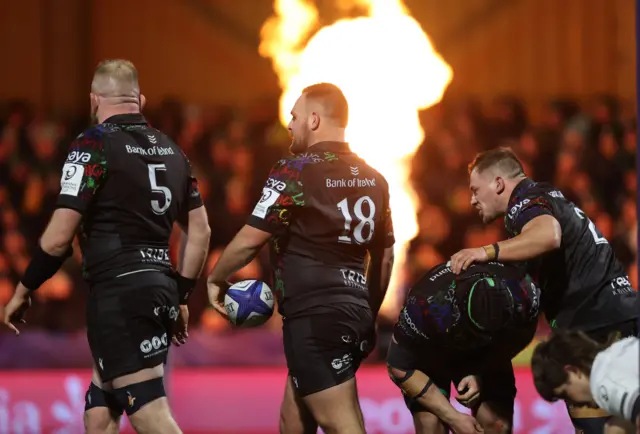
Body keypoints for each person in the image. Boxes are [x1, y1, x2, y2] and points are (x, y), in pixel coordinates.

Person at [0, 59, 211, 434]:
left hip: (119, 294)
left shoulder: (93, 143)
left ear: (94, 99)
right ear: (140, 100)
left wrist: (24, 287)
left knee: (150, 411)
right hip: (158, 287)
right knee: (100, 412)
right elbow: (201, 231)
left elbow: (59, 236)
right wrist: (180, 294)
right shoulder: (172, 150)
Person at [207, 82, 395, 434]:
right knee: (292, 421)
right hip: (351, 310)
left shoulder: (295, 170)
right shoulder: (376, 179)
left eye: (294, 116)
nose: (289, 124)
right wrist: (368, 314)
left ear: (313, 119)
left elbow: (250, 240)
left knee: (343, 423)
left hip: (314, 315)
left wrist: (215, 278)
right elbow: (384, 259)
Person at [450, 147, 639, 433]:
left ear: (499, 183)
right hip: (620, 313)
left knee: (597, 427)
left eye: (476, 189)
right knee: (621, 425)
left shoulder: (523, 204)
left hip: (595, 327)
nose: (472, 200)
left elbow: (548, 235)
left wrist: (486, 251)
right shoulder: (546, 197)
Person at [387, 261, 540, 434]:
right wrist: (454, 418)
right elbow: (397, 366)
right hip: (434, 349)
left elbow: (521, 336)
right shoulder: (425, 304)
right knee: (431, 426)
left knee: (496, 425)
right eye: (476, 333)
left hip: (490, 351)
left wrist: (481, 370)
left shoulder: (522, 290)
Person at [531, 330, 639, 434]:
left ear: (572, 371)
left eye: (565, 394)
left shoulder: (603, 381)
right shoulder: (615, 353)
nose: (571, 403)